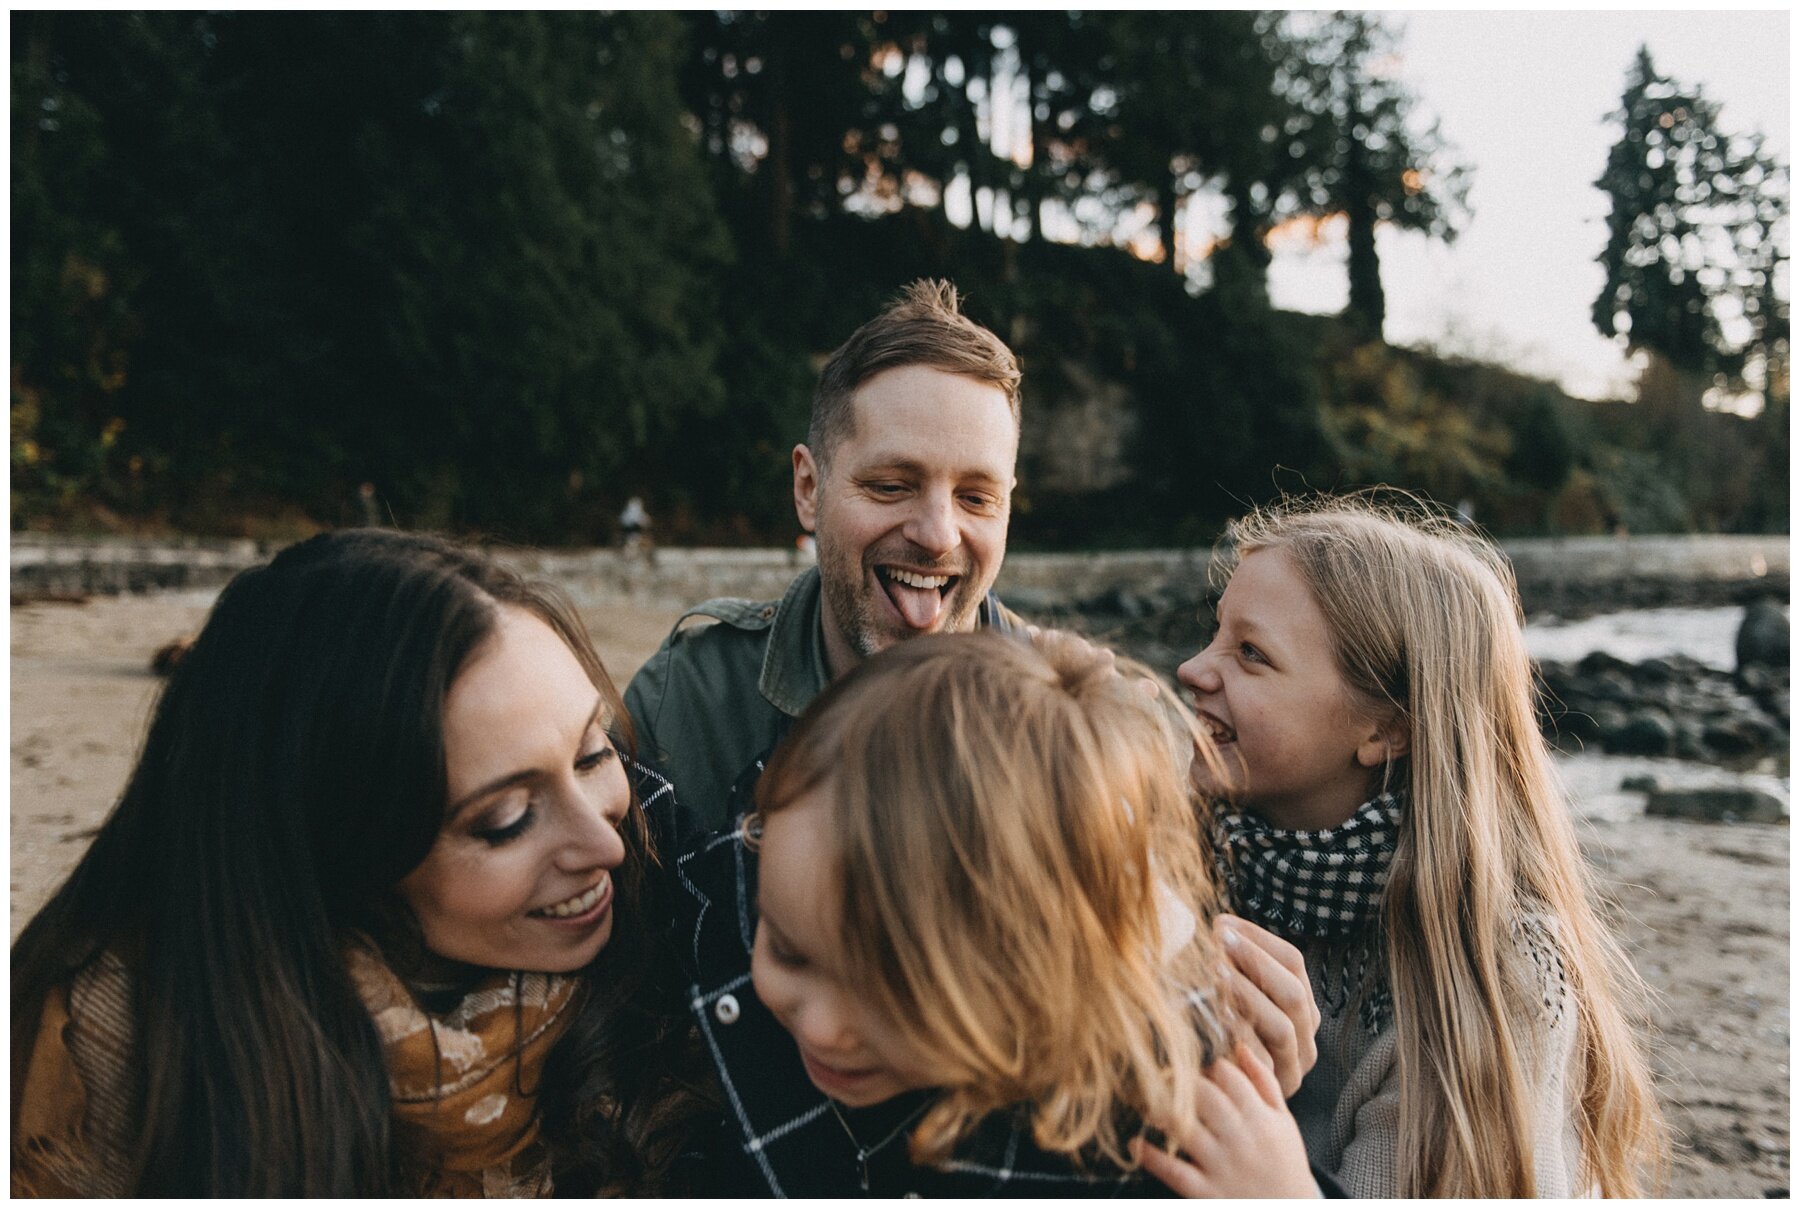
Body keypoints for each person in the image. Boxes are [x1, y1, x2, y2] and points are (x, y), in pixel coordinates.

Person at [11, 529, 706, 1197]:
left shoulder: (689, 930)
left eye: (593, 753)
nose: (606, 845)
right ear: (331, 849)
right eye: (505, 820)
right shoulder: (120, 1047)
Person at [672, 631, 1333, 1197]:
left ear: (1040, 963)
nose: (820, 1024)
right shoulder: (759, 866)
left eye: (898, 988)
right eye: (788, 951)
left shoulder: (1155, 1129)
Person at [1175, 493, 1668, 1197]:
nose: (1195, 668)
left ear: (1386, 729)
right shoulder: (1177, 868)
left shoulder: (1495, 966)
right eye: (1216, 633)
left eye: (1251, 654)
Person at [625, 279, 1025, 846]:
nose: (938, 535)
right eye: (891, 486)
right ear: (809, 488)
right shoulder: (685, 705)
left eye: (977, 498)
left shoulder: (1065, 729)